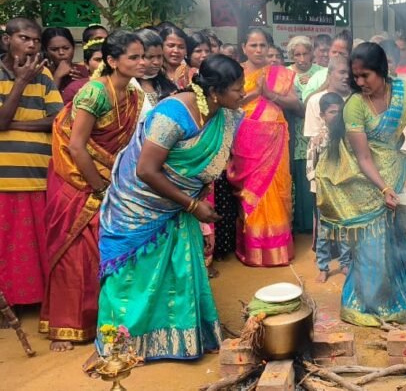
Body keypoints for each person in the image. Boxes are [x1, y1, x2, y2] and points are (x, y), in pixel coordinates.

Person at [95, 54, 243, 361]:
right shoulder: (173, 114)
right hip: (139, 204)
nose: (243, 94)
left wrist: (195, 198)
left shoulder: (223, 115)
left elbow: (207, 164)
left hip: (178, 204)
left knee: (178, 268)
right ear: (215, 91)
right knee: (136, 276)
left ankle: (177, 341)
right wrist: (191, 204)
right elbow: (146, 170)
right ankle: (122, 344)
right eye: (238, 89)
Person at [315, 42, 406, 327]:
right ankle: (367, 305)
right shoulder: (354, 106)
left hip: (394, 172)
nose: (360, 82)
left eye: (366, 76)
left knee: (395, 241)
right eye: (356, 77)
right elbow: (362, 157)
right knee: (371, 246)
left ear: (382, 71)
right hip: (362, 181)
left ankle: (396, 302)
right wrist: (384, 189)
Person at [40, 31, 145, 352]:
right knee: (75, 252)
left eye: (142, 56)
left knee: (105, 249)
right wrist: (100, 187)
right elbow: (76, 145)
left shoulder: (133, 95)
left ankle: (106, 320)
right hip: (75, 179)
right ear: (112, 61)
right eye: (134, 57)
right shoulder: (93, 94)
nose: (141, 63)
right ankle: (65, 327)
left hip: (107, 178)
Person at [0, 18, 63, 313]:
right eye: (24, 38)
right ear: (6, 40)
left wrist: (15, 124)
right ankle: (7, 305)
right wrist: (21, 82)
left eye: (36, 41)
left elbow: (57, 120)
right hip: (4, 179)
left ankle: (39, 300)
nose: (31, 45)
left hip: (39, 175)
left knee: (38, 245)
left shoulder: (45, 75)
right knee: (6, 246)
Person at [227, 28, 303, 267]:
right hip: (246, 139)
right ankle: (253, 249)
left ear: (269, 47)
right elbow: (229, 103)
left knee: (273, 190)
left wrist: (270, 94)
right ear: (244, 48)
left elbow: (296, 104)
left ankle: (277, 250)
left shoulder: (278, 74)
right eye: (253, 45)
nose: (259, 50)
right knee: (252, 194)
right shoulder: (234, 72)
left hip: (274, 138)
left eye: (263, 45)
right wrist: (254, 94)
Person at [306, 91, 351, 283]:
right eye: (332, 112)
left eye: (340, 112)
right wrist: (318, 184)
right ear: (322, 115)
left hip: (343, 190)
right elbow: (310, 166)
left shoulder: (347, 137)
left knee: (345, 230)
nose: (337, 116)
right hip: (323, 191)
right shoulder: (317, 139)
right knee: (324, 232)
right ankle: (323, 267)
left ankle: (345, 263)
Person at [287, 35, 321, 234]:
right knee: (297, 178)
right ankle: (298, 224)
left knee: (313, 178)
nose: (301, 58)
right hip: (293, 130)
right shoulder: (285, 73)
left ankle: (312, 225)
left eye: (305, 53)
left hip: (315, 131)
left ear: (312, 53)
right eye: (297, 54)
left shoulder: (321, 73)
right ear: (291, 55)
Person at [134, 28, 177, 112]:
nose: (157, 62)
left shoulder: (167, 85)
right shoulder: (129, 87)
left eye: (160, 56)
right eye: (150, 57)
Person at [43, 27, 88, 92]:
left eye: (66, 48)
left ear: (73, 48)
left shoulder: (84, 70)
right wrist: (57, 76)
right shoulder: (41, 73)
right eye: (54, 49)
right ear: (45, 51)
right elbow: (44, 100)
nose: (61, 53)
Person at [61, 38, 104, 104]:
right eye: (98, 60)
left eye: (107, 59)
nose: (103, 64)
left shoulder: (123, 86)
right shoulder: (75, 89)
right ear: (86, 64)